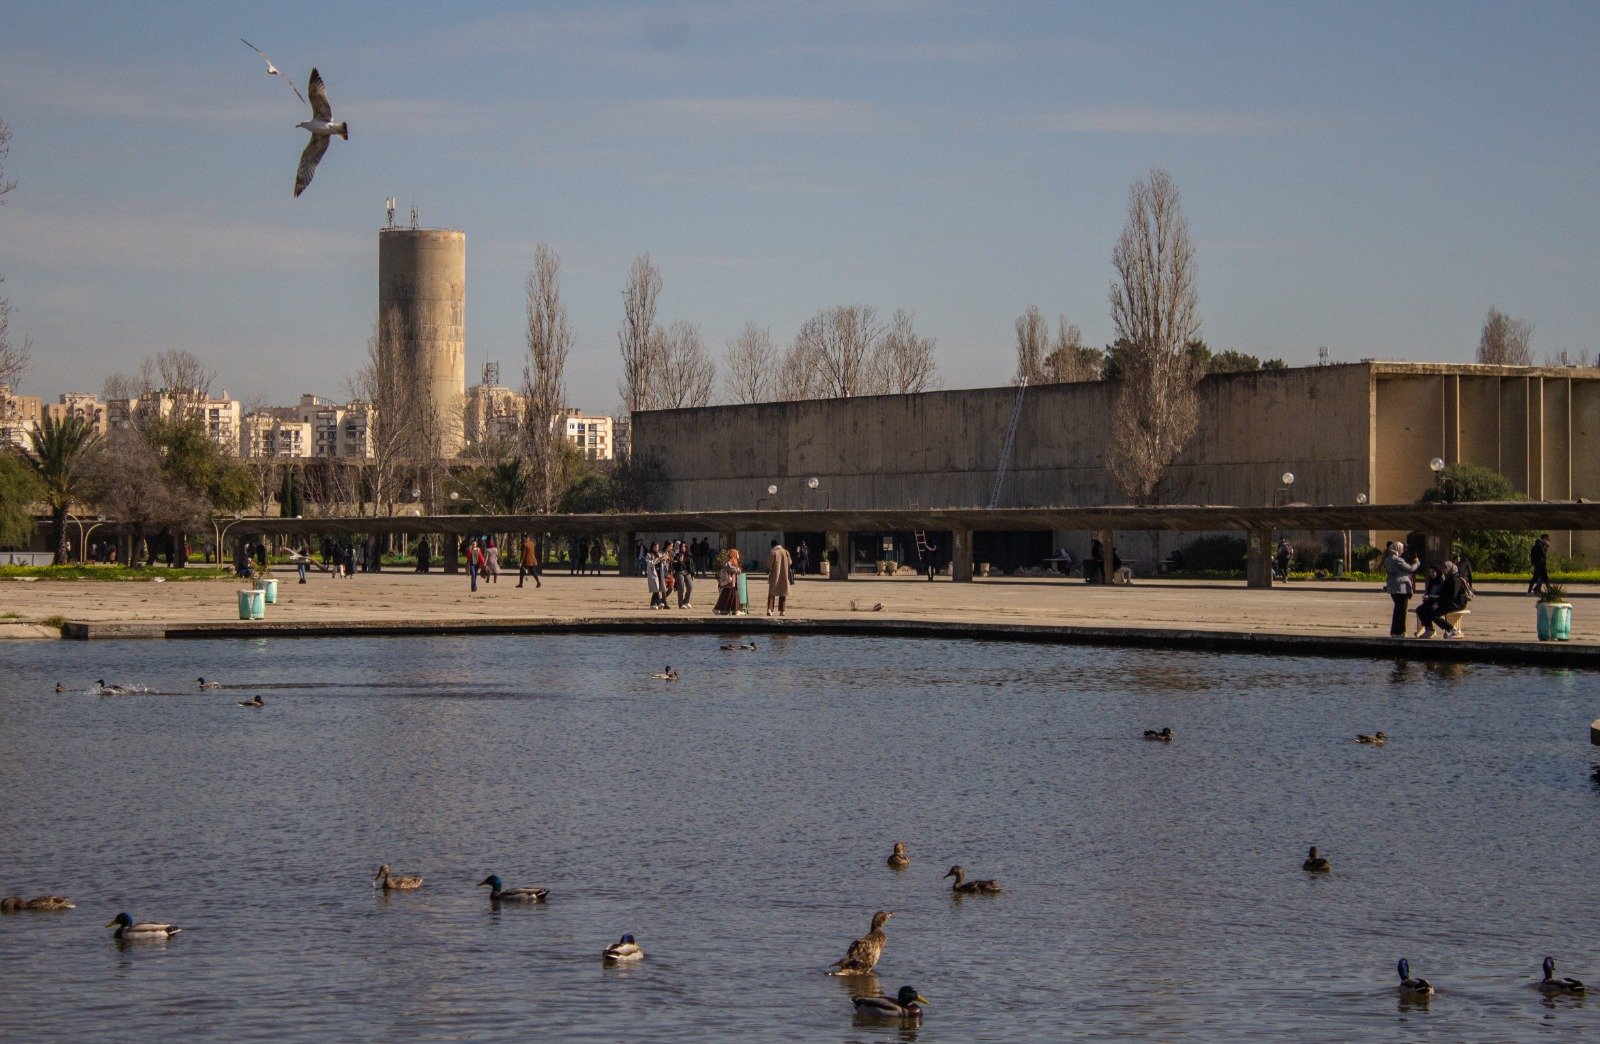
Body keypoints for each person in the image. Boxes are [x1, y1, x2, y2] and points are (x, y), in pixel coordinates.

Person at [1417, 561, 1469, 638]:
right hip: (1448, 601)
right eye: (1443, 568)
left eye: (1445, 568)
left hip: (1457, 603)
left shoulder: (1455, 579)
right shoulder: (1448, 578)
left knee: (1434, 614)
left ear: (1450, 568)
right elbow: (1444, 595)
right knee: (1421, 609)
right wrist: (1437, 602)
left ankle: (1454, 630)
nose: (1444, 570)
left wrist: (1439, 604)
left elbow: (1452, 597)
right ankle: (1429, 630)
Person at [1382, 541, 1420, 638]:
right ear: (1397, 548)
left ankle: (1395, 631)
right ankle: (1400, 631)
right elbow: (1410, 569)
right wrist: (1417, 563)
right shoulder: (1397, 559)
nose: (1402, 551)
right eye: (1401, 549)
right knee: (1402, 610)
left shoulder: (1388, 559)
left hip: (1392, 586)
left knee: (1397, 609)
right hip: (1401, 587)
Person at [1411, 566, 1442, 636]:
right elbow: (1429, 593)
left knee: (1425, 610)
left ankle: (1430, 630)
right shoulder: (1431, 582)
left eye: (1433, 572)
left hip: (1438, 602)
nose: (1431, 574)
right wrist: (1427, 596)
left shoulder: (1441, 583)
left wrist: (1430, 597)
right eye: (1430, 572)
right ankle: (1428, 628)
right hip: (1430, 601)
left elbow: (1441, 596)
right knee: (1419, 609)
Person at [766, 539, 793, 615]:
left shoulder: (773, 552)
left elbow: (769, 564)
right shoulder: (785, 552)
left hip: (775, 575)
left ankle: (770, 610)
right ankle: (782, 611)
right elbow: (790, 562)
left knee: (772, 592)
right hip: (784, 575)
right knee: (783, 592)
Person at [714, 549, 743, 615]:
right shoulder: (730, 561)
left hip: (732, 582)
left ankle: (735, 610)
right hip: (730, 582)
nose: (738, 555)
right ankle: (718, 609)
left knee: (733, 595)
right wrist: (737, 570)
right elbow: (728, 567)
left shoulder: (734, 561)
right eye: (737, 553)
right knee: (728, 595)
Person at [672, 541, 694, 609]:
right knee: (681, 588)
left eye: (684, 547)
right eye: (682, 547)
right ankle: (680, 603)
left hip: (687, 572)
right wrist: (680, 561)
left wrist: (692, 574)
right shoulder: (677, 555)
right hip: (680, 572)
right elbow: (675, 566)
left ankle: (686, 601)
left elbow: (691, 565)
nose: (683, 548)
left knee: (690, 587)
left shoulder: (689, 555)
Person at [645, 542, 666, 608]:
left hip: (659, 572)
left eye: (657, 547)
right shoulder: (649, 555)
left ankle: (652, 604)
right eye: (655, 547)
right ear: (652, 547)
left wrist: (664, 560)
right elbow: (650, 563)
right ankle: (659, 602)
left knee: (656, 588)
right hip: (653, 573)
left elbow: (663, 564)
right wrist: (658, 559)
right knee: (656, 588)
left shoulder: (659, 554)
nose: (656, 548)